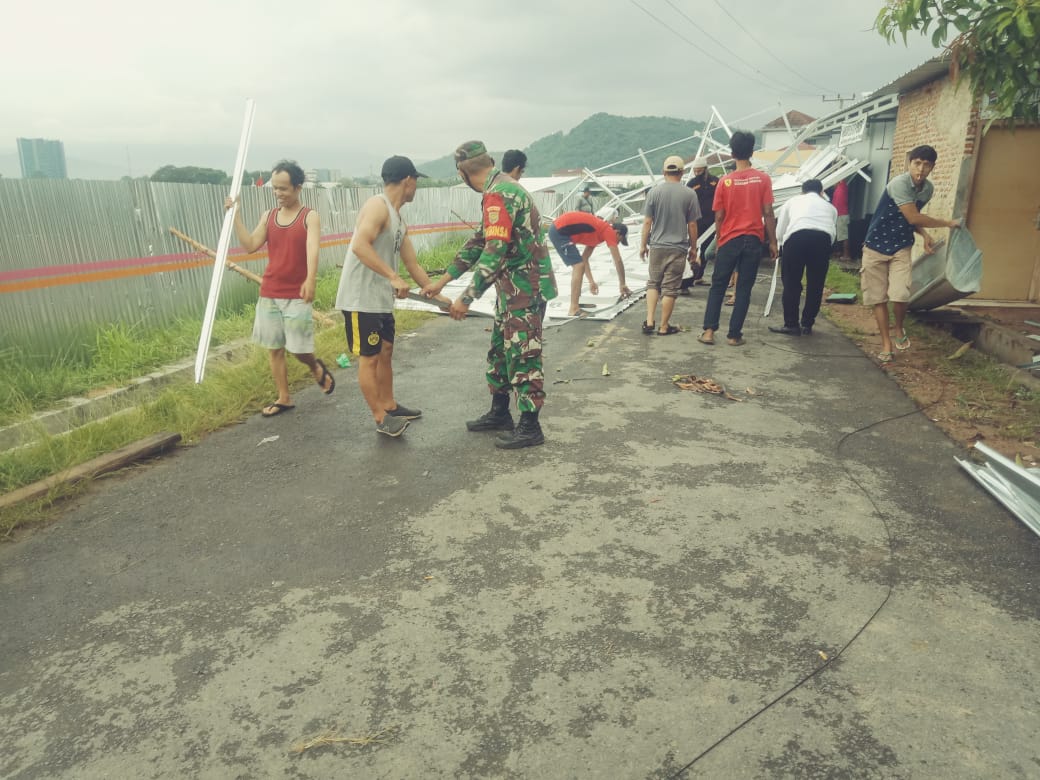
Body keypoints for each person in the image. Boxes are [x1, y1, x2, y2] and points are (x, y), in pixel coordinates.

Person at [423, 140, 553, 449]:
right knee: (499, 351)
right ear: (490, 161)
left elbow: (494, 253)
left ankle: (530, 426)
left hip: (525, 289)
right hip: (512, 291)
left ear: (461, 173)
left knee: (523, 355)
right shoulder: (501, 189)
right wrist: (442, 282)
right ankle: (500, 413)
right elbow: (481, 240)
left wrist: (465, 299)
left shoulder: (499, 195)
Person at [334, 155, 442, 437]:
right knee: (369, 358)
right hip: (360, 299)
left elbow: (412, 264)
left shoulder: (398, 219)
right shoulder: (377, 206)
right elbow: (359, 245)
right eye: (416, 181)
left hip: (380, 299)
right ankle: (380, 417)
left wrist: (435, 292)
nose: (416, 187)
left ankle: (390, 405)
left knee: (386, 353)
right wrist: (392, 277)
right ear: (408, 180)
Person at [226, 159, 334, 418]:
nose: (278, 194)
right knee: (274, 347)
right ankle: (284, 398)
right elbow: (251, 245)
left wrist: (310, 280)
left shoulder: (310, 216)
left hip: (296, 293)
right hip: (270, 291)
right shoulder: (269, 216)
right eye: (275, 188)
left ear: (297, 188)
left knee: (299, 348)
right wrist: (236, 216)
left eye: (283, 188)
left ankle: (315, 367)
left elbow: (312, 250)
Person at [861, 144, 960, 364]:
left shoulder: (927, 189)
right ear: (909, 163)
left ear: (932, 167)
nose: (921, 169)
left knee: (901, 294)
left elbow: (910, 218)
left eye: (926, 165)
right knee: (878, 298)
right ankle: (886, 344)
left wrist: (924, 235)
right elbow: (913, 217)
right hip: (875, 245)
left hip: (901, 246)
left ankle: (898, 327)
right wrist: (947, 223)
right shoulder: (899, 184)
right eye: (917, 163)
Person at [699, 131, 777, 347]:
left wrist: (721, 236)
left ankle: (708, 331)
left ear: (732, 153)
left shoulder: (725, 182)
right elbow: (768, 213)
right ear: (752, 151)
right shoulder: (763, 179)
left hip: (729, 239)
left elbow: (719, 215)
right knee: (743, 288)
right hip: (753, 239)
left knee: (718, 285)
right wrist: (773, 242)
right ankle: (734, 335)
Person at [639, 155, 701, 336]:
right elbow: (692, 224)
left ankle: (650, 321)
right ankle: (664, 327)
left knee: (653, 283)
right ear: (681, 172)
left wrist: (643, 245)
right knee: (670, 288)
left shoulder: (654, 193)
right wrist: (694, 248)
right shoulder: (689, 194)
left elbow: (647, 222)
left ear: (664, 172)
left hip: (657, 246)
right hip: (678, 248)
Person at [768, 179, 837, 336]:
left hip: (797, 237)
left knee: (791, 282)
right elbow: (832, 231)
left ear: (802, 191)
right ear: (821, 192)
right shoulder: (830, 207)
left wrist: (779, 244)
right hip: (822, 240)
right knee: (816, 284)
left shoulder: (792, 201)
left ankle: (791, 324)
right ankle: (807, 324)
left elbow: (780, 231)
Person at [548, 209, 632, 317]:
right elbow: (618, 260)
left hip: (560, 229)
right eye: (619, 240)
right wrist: (622, 283)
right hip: (560, 230)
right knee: (578, 266)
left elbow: (585, 258)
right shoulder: (608, 230)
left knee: (579, 265)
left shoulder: (598, 233)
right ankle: (573, 308)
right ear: (617, 232)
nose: (617, 243)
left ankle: (574, 305)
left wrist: (591, 281)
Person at [679, 156, 719, 291]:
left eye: (699, 170)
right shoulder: (691, 184)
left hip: (711, 222)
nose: (697, 173)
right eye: (695, 170)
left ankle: (699, 276)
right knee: (692, 249)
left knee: (706, 250)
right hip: (696, 222)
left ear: (705, 169)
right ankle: (687, 279)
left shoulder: (715, 181)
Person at [832, 178, 851, 260]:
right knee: (839, 235)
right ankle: (839, 252)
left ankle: (846, 255)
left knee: (843, 236)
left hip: (842, 214)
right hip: (838, 214)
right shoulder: (838, 188)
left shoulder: (842, 185)